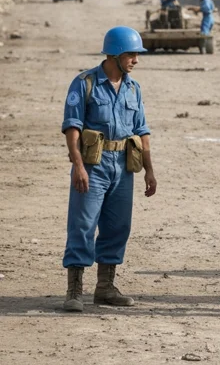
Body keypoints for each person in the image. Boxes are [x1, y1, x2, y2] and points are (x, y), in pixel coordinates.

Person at [60, 26, 157, 312]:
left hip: (123, 167)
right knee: (83, 224)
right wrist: (78, 165)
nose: (136, 60)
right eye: (131, 54)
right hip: (93, 165)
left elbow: (142, 130)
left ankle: (105, 287)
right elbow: (73, 127)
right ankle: (74, 289)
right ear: (114, 54)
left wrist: (149, 171)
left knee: (118, 227)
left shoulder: (133, 88)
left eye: (137, 55)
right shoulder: (84, 83)